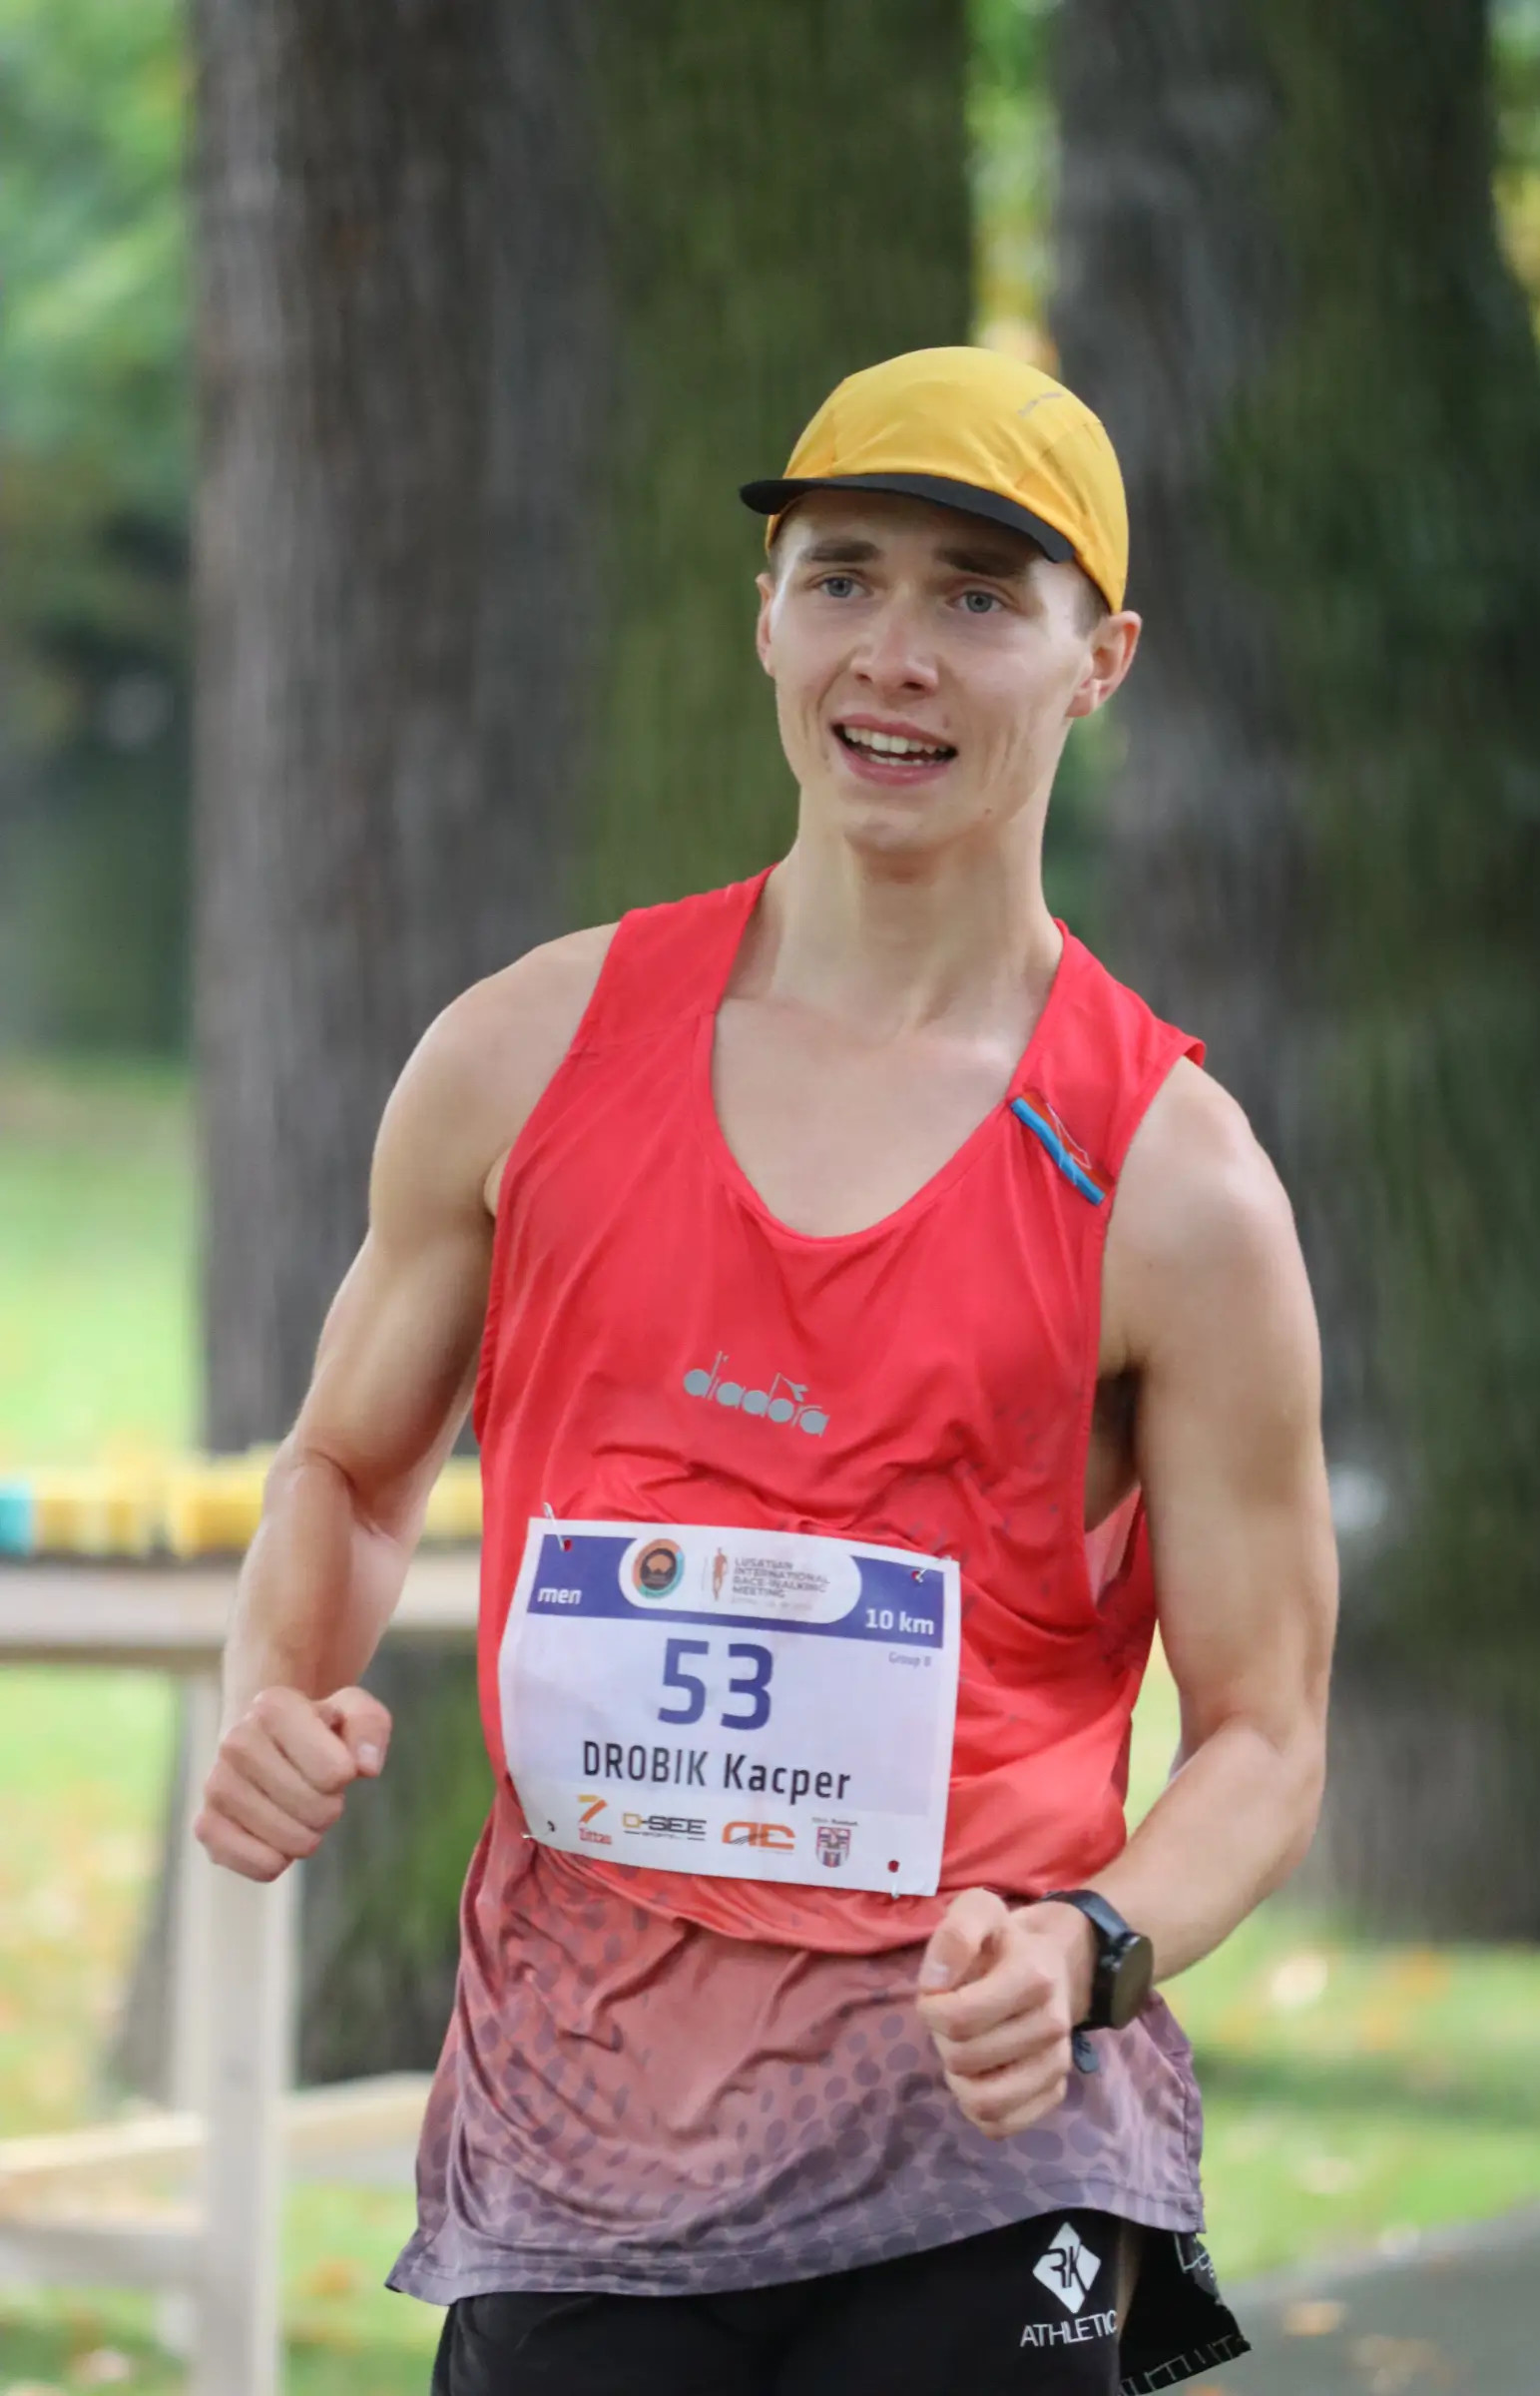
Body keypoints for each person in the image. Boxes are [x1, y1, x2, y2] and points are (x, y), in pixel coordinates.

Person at [196, 345, 1337, 2394]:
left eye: (979, 596)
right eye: (841, 577)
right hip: (589, 2145)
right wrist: (279, 1681)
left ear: (1100, 660)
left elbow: (1260, 1730)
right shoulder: (522, 1056)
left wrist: (1094, 1947)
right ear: (763, 617)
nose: (893, 654)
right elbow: (349, 1477)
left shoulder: (1174, 1188)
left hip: (976, 2153)